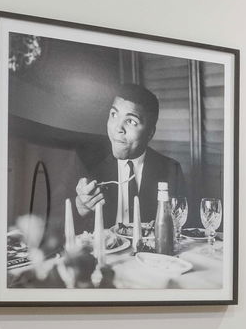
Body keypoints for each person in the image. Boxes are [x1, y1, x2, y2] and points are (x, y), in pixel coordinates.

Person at [66, 83, 188, 235]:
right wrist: (81, 207)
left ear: (150, 133)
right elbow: (63, 232)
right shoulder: (87, 164)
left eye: (131, 121)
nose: (118, 128)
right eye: (114, 115)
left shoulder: (171, 170)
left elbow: (183, 230)